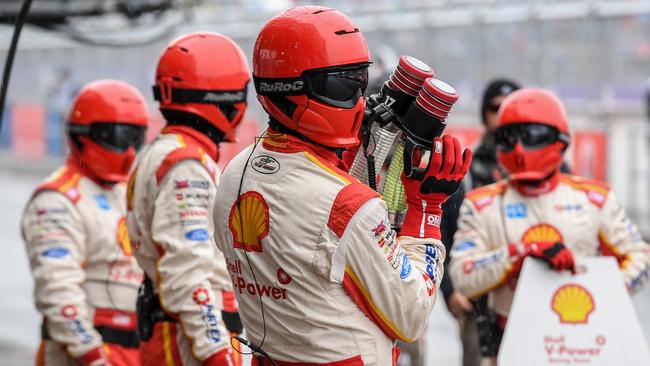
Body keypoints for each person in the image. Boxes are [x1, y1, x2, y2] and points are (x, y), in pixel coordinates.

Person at [212, 6, 472, 365]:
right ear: (301, 88)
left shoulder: (234, 171)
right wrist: (426, 211)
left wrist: (356, 151)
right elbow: (411, 315)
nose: (362, 101)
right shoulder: (347, 205)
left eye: (362, 84)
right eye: (347, 86)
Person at [449, 88, 650, 364]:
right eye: (509, 137)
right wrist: (518, 255)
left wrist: (602, 290)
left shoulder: (595, 199)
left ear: (561, 139)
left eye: (531, 136)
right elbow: (463, 275)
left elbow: (641, 256)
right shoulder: (481, 204)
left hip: (582, 341)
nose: (519, 147)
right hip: (508, 343)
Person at [126, 32, 249, 366]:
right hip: (190, 343)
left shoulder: (166, 151)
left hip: (179, 332)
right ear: (225, 98)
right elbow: (187, 272)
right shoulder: (186, 166)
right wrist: (215, 353)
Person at [22, 79, 148, 365]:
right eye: (117, 137)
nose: (127, 149)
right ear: (83, 134)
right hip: (83, 353)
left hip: (137, 351)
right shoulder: (55, 200)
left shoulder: (126, 193)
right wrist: (92, 355)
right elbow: (58, 292)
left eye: (134, 138)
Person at [439, 79, 520, 366]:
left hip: (530, 296)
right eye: (496, 107)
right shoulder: (468, 167)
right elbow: (445, 233)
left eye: (512, 106)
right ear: (485, 112)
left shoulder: (548, 168)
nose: (503, 114)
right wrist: (450, 290)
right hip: (478, 298)